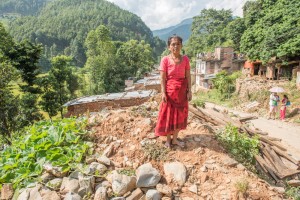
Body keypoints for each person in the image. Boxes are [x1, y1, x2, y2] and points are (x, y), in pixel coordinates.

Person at [154, 35, 192, 149]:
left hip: (182, 92)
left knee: (180, 116)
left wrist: (189, 91)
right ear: (169, 47)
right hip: (170, 92)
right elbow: (162, 78)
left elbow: (188, 76)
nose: (176, 46)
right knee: (168, 116)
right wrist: (163, 93)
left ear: (181, 45)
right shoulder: (165, 60)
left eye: (178, 44)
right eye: (173, 44)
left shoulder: (185, 59)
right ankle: (168, 140)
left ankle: (175, 139)